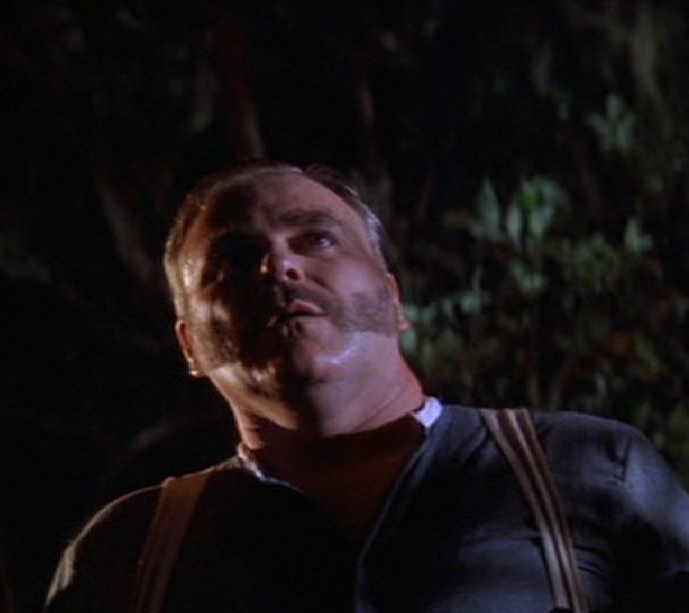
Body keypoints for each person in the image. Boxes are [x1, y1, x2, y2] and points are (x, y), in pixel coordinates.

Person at [43, 159, 689, 613]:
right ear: (189, 345)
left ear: (393, 297)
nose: (279, 265)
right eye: (234, 258)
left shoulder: (587, 470)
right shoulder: (126, 550)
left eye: (317, 238)